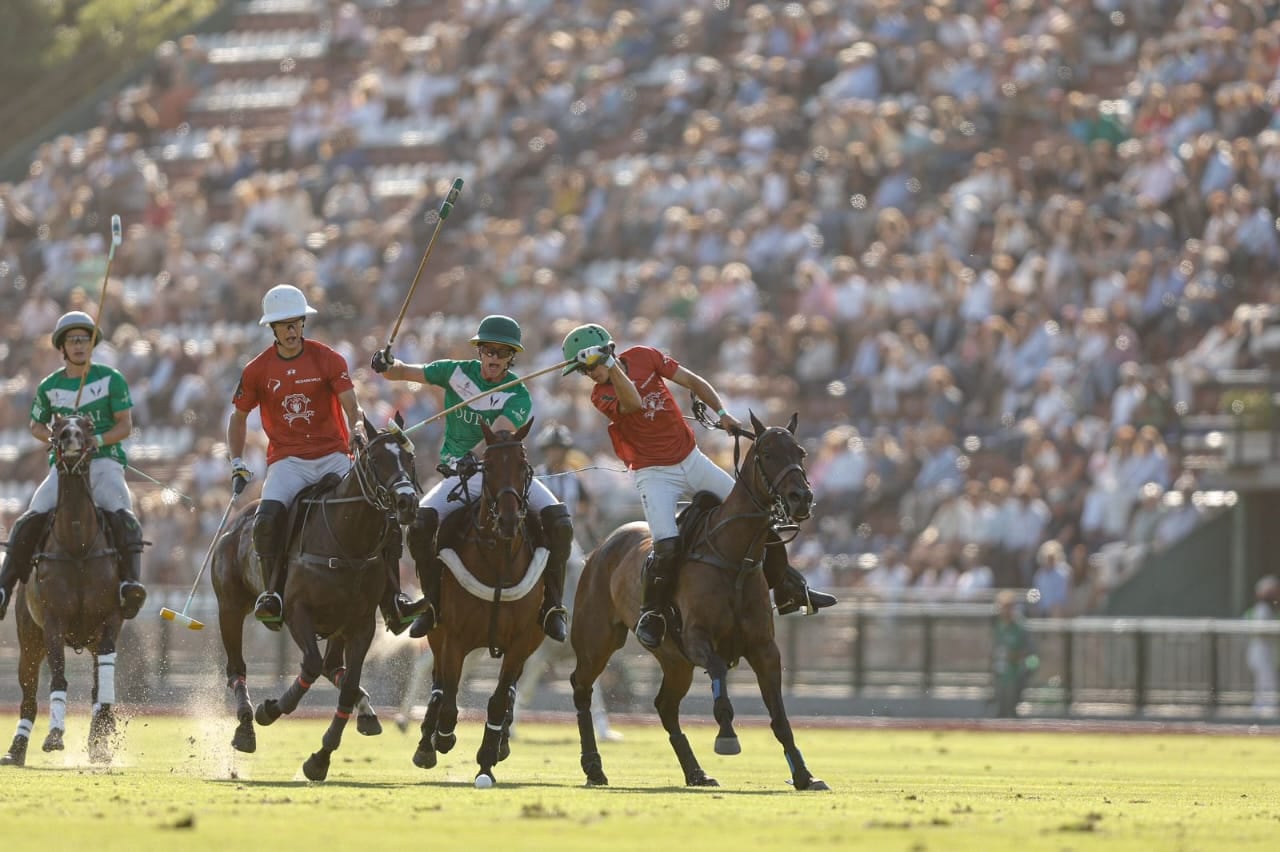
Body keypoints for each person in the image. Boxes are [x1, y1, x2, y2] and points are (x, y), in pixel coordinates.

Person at [558, 322, 837, 651]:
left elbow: (692, 381)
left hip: (691, 460)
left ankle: (791, 587)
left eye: (585, 367)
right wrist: (608, 365)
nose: (586, 375)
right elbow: (632, 402)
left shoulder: (645, 356)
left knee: (756, 513)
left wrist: (722, 413)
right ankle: (653, 614)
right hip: (653, 474)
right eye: (582, 370)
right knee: (666, 545)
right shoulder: (600, 394)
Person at [371, 314, 572, 642]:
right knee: (420, 525)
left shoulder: (517, 394)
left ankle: (552, 606)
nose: (493, 357)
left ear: (512, 357)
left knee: (560, 521)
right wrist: (386, 363)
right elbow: (403, 372)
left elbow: (498, 433)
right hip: (459, 475)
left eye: (501, 352)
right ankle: (432, 604)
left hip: (503, 474)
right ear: (479, 351)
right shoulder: (454, 371)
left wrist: (473, 455)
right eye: (488, 350)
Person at [227, 284, 415, 632]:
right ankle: (273, 595)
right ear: (272, 328)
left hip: (333, 456)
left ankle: (393, 598)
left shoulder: (328, 358)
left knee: (383, 514)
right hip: (288, 462)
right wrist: (236, 461)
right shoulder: (257, 370)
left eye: (297, 322)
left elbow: (352, 407)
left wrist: (357, 428)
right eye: (284, 325)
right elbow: (238, 417)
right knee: (267, 520)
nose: (292, 330)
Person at [0, 311, 147, 620]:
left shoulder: (110, 379)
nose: (79, 345)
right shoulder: (49, 386)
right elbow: (35, 425)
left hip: (104, 463)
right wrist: (53, 439)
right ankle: (4, 587)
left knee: (124, 515)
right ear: (62, 347)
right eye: (72, 340)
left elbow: (125, 425)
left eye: (84, 339)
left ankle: (129, 585)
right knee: (30, 516)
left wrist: (98, 441)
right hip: (64, 469)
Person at [511, 423, 620, 741]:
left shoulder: (575, 479)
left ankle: (577, 612)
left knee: (580, 564)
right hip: (540, 540)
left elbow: (587, 511)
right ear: (547, 452)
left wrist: (588, 524)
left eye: (561, 449)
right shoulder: (537, 476)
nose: (557, 454)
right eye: (553, 449)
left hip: (568, 541)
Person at [992, 589, 1039, 718]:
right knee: (999, 710)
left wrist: (1018, 657)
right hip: (1000, 673)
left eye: (1007, 607)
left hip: (1015, 674)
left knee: (1011, 710)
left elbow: (1032, 654)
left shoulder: (1020, 628)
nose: (1004, 610)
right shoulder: (997, 625)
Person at [1245, 574, 1280, 716]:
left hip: (1270, 655)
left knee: (1269, 685)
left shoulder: (1272, 610)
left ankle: (1265, 712)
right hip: (1261, 654)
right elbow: (1261, 630)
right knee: (1266, 685)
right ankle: (1263, 715)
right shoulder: (1262, 609)